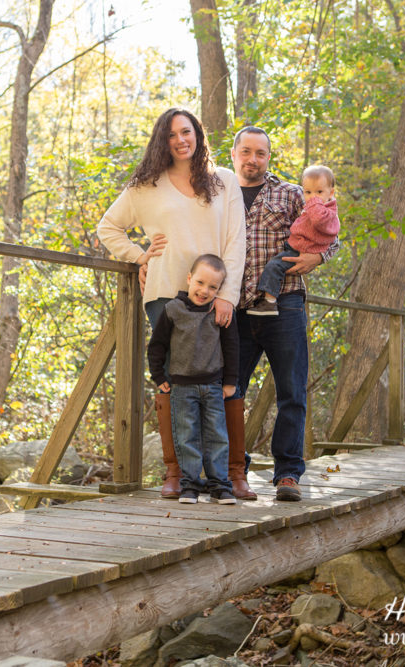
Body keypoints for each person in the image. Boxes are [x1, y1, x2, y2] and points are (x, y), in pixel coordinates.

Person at [97, 108, 246, 499]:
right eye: (172, 135)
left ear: (198, 133)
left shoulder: (224, 181)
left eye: (187, 131)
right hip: (165, 292)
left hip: (212, 296)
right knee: (170, 382)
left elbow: (235, 241)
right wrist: (139, 255)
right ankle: (176, 473)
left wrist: (227, 295)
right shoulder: (145, 186)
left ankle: (228, 475)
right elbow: (107, 227)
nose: (181, 140)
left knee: (219, 381)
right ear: (162, 141)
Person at [228, 126, 340, 501]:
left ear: (268, 158)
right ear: (234, 153)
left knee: (291, 392)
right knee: (230, 390)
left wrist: (318, 256)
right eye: (246, 151)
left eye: (260, 153)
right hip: (237, 308)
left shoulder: (292, 193)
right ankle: (233, 468)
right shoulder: (219, 195)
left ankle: (287, 474)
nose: (253, 159)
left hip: (285, 305)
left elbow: (331, 234)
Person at [147, 254, 239, 504]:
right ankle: (190, 485)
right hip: (182, 387)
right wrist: (158, 376)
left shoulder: (219, 311)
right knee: (186, 436)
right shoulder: (173, 310)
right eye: (200, 283)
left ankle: (220, 485)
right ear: (189, 278)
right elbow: (157, 346)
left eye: (213, 287)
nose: (204, 290)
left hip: (213, 386)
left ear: (219, 289)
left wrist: (230, 381)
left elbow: (231, 346)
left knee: (217, 435)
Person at [247, 165, 339, 317]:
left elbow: (328, 232)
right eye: (308, 192)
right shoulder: (316, 207)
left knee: (274, 266)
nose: (312, 197)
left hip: (298, 252)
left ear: (331, 193)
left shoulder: (324, 212)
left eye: (319, 192)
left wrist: (317, 257)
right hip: (294, 245)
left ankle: (269, 302)